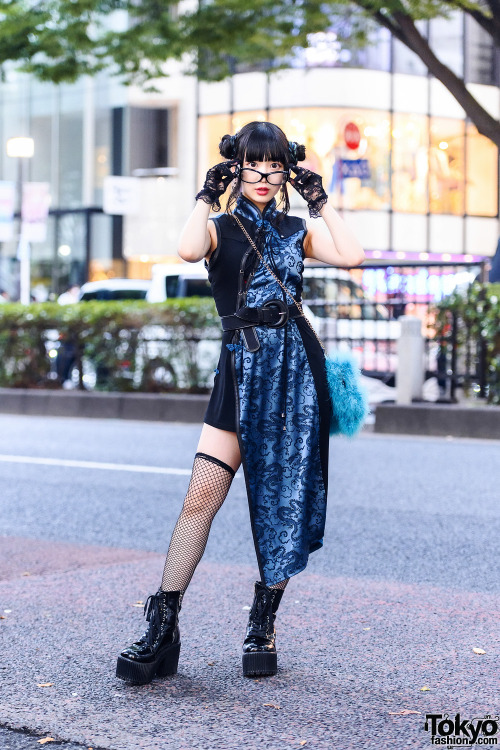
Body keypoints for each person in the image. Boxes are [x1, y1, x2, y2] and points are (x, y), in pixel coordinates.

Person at [116, 121, 365, 685]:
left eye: (276, 165)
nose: (265, 176)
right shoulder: (221, 227)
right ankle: (163, 626)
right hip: (241, 370)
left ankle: (263, 623)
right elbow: (184, 248)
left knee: (282, 503)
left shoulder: (297, 228)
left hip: (294, 377)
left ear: (286, 170)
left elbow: (352, 256)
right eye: (254, 164)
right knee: (201, 496)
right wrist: (206, 194)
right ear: (237, 166)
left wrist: (319, 199)